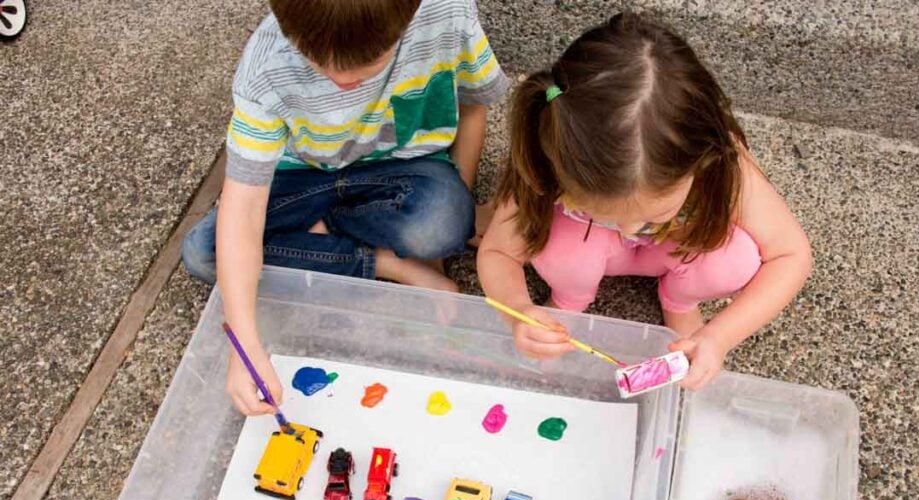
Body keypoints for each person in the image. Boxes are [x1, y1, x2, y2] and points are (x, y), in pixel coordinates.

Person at [182, 0, 508, 415]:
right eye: (317, 61)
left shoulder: (447, 12)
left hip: (402, 169)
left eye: (369, 62)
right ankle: (384, 262)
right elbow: (242, 207)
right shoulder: (265, 67)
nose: (343, 79)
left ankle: (324, 236)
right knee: (203, 252)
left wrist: (458, 202)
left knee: (445, 221)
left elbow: (473, 106)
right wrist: (244, 344)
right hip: (301, 174)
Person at [477, 13, 811, 390]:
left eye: (657, 211)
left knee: (733, 260)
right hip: (585, 250)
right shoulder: (549, 155)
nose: (628, 231)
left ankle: (680, 300)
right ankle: (569, 298)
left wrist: (719, 336)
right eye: (598, 212)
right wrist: (519, 311)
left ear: (700, 162)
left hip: (678, 250)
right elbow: (498, 252)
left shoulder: (724, 166)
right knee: (561, 250)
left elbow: (791, 254)